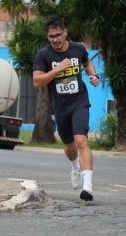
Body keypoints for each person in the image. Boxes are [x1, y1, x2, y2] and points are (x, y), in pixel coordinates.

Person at [32, 15, 99, 201]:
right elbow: (37, 81)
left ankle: (88, 186)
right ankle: (75, 166)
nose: (56, 40)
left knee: (81, 140)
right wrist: (57, 70)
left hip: (79, 101)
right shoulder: (43, 55)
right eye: (51, 36)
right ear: (47, 37)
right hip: (60, 106)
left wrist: (93, 75)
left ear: (65, 32)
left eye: (58, 35)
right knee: (69, 145)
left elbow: (87, 62)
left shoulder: (78, 48)